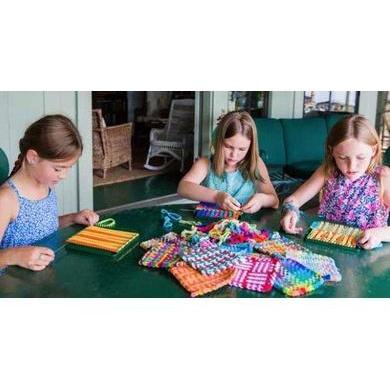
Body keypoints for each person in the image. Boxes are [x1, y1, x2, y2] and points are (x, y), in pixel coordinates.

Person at [0, 114, 99, 272]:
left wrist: (73, 218)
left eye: (68, 168)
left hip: (43, 279)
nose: (64, 175)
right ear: (33, 157)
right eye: (58, 168)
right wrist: (15, 255)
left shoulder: (45, 186)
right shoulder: (6, 199)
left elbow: (44, 227)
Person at [280, 114, 390, 250]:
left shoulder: (382, 178)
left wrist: (380, 234)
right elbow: (292, 200)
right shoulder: (328, 171)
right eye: (343, 157)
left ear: (373, 150)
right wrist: (290, 212)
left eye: (360, 157)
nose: (351, 167)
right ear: (332, 151)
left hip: (366, 257)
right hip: (324, 248)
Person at [177, 110, 279, 213]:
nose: (234, 155)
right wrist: (217, 196)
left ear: (251, 148)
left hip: (245, 226)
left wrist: (261, 200)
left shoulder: (256, 163)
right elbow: (183, 187)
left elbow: (274, 201)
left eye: (242, 149)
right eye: (228, 147)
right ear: (218, 141)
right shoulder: (205, 164)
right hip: (209, 224)